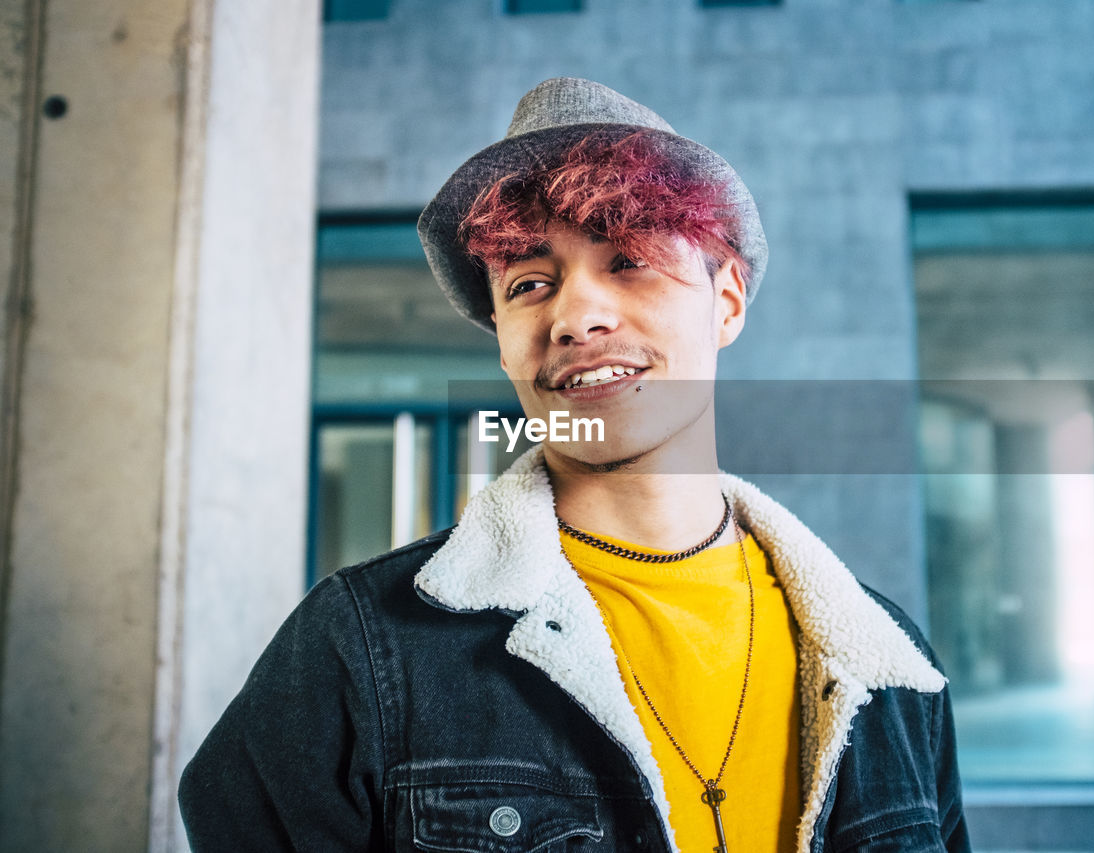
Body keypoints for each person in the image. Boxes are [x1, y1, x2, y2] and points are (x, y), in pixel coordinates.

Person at [179, 77, 969, 853]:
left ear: (724, 300)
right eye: (529, 283)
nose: (574, 315)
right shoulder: (361, 647)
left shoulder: (888, 668)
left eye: (627, 259)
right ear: (499, 333)